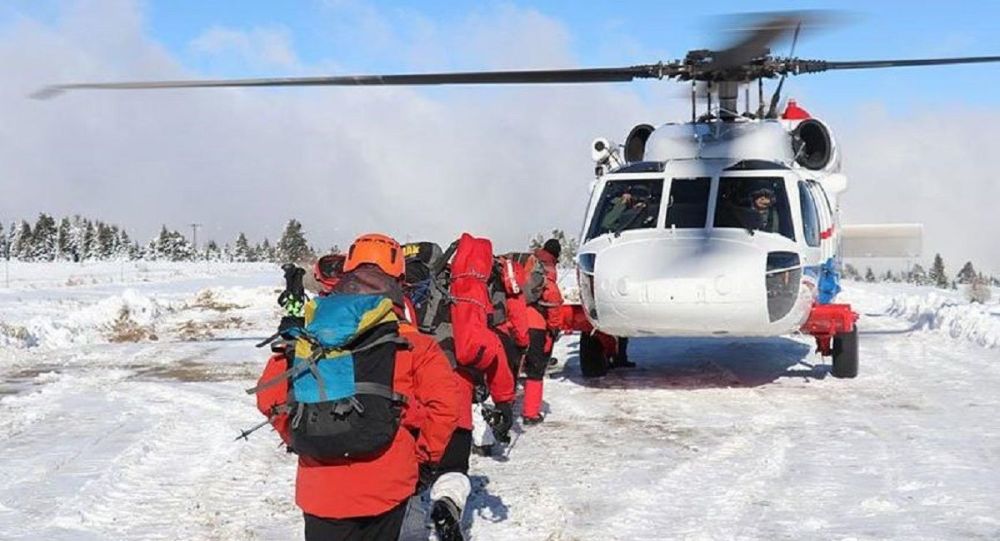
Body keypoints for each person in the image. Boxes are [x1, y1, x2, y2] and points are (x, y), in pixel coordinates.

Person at [253, 233, 459, 541]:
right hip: (388, 482)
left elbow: (268, 394)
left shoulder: (310, 332)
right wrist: (423, 460)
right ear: (399, 280)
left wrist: (300, 435)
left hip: (320, 489)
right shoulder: (414, 342)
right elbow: (445, 407)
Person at [521, 238, 564, 425]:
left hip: (516, 320)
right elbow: (553, 299)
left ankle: (502, 409)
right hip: (537, 325)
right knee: (535, 370)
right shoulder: (548, 268)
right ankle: (531, 413)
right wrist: (554, 327)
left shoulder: (530, 261)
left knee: (512, 367)